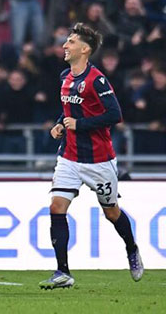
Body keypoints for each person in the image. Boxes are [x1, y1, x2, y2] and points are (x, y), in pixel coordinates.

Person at [39, 23, 143, 290]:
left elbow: (115, 115)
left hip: (99, 160)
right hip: (69, 157)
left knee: (111, 212)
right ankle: (62, 272)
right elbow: (69, 110)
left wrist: (80, 125)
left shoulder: (97, 80)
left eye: (71, 42)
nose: (65, 45)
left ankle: (131, 248)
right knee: (56, 207)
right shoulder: (65, 76)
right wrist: (60, 124)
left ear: (85, 50)